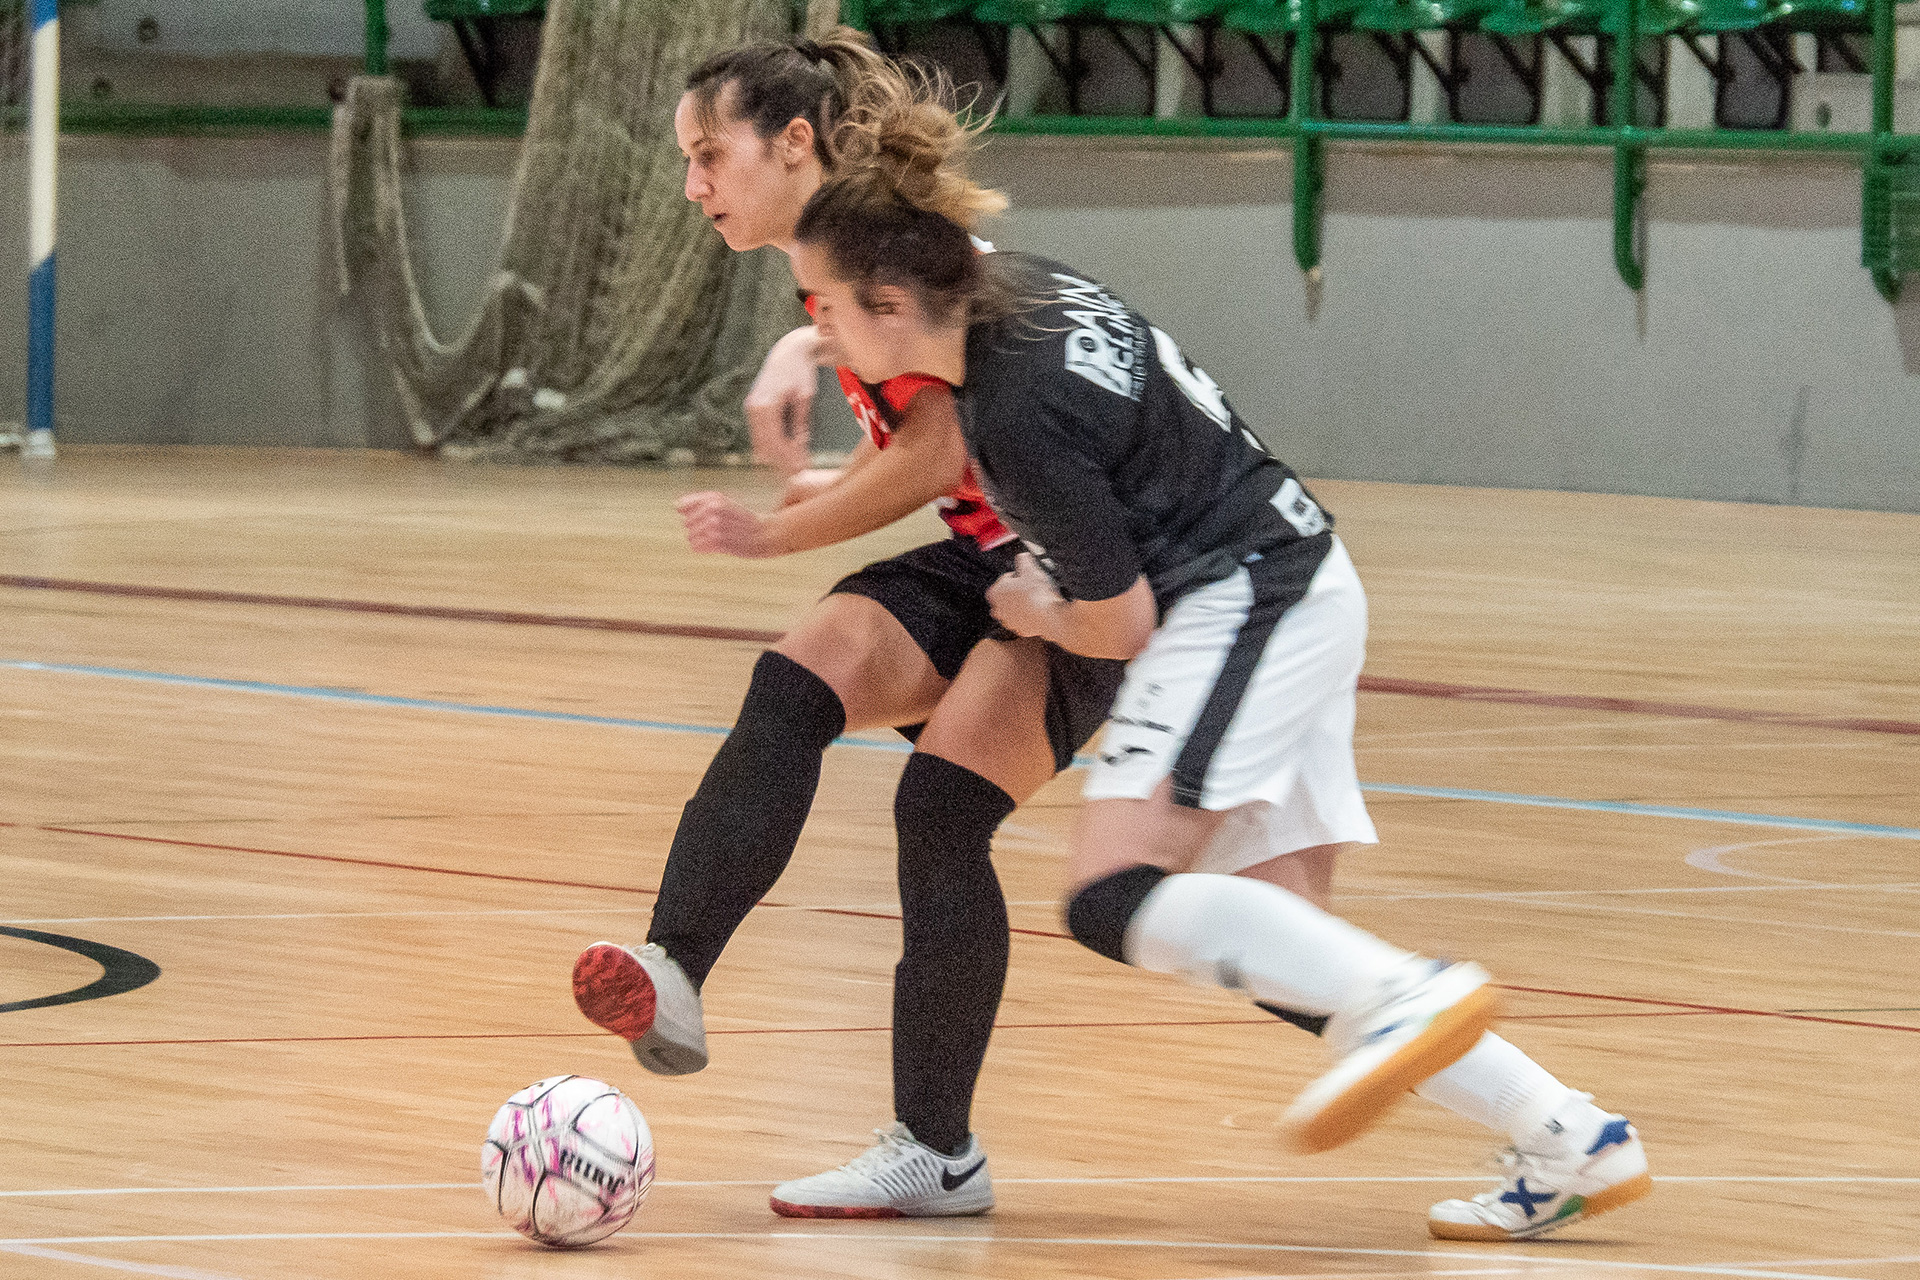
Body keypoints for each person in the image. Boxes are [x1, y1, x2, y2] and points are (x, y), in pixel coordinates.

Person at [778, 101, 1655, 1240]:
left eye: (824, 310)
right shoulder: (1026, 292)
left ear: (890, 305)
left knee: (1110, 895)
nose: (820, 330)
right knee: (1288, 949)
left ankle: (1409, 991)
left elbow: (1122, 622)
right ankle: (1568, 1132)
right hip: (1295, 575)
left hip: (1249, 597)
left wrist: (1034, 600)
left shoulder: (1014, 416)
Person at [569, 31, 1136, 1220]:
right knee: (798, 675)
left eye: (708, 154)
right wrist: (802, 336)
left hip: (1084, 581)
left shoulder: (890, 252)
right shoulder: (849, 256)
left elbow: (941, 448)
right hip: (990, 554)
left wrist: (779, 530)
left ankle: (937, 1150)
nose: (694, 184)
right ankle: (673, 966)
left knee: (940, 809)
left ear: (794, 143)